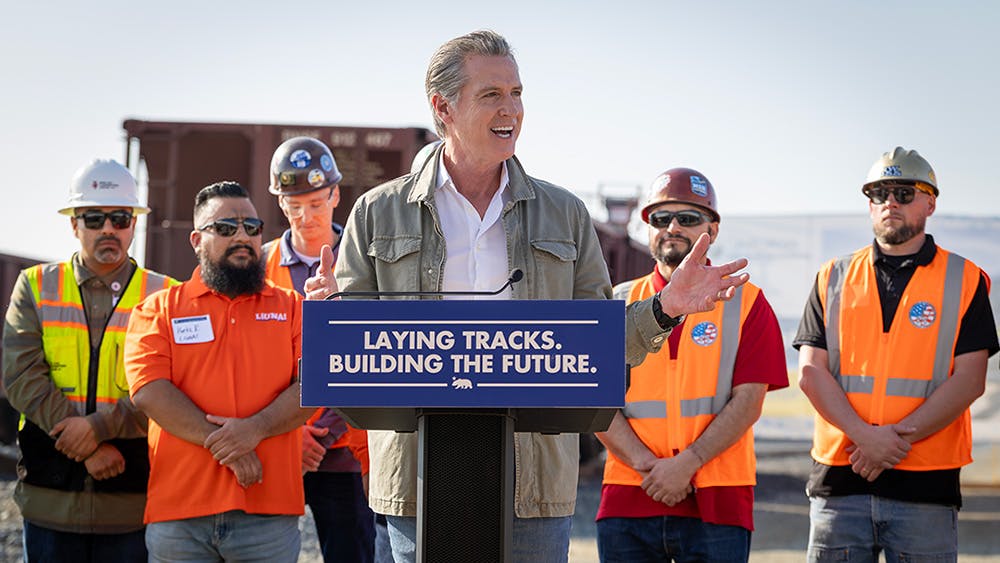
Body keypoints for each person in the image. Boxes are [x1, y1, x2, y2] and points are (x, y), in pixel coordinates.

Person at [304, 30, 751, 563]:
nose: (511, 108)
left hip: (532, 485)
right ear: (443, 107)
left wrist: (665, 309)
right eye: (491, 94)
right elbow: (357, 362)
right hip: (418, 483)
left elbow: (598, 348)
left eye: (517, 93)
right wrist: (333, 321)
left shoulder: (564, 214)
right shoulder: (378, 213)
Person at [794, 147, 999, 562]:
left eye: (903, 192)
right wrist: (867, 438)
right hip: (841, 481)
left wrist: (890, 443)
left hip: (926, 487)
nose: (890, 201)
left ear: (930, 202)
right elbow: (812, 374)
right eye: (879, 193)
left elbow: (970, 379)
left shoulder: (966, 279)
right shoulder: (831, 277)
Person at [595, 168, 788, 562]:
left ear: (712, 230)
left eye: (687, 218)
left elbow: (749, 402)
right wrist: (647, 466)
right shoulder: (617, 302)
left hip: (718, 499)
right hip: (630, 494)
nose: (672, 228)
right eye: (661, 219)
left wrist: (688, 464)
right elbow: (594, 399)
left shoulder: (747, 302)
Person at [123, 181, 317, 562]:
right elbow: (149, 390)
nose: (242, 236)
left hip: (268, 514)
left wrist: (255, 429)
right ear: (197, 239)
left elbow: (315, 386)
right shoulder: (158, 309)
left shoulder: (294, 307)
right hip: (180, 515)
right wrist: (230, 445)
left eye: (252, 227)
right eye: (226, 228)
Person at [2, 159, 176, 562]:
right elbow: (21, 377)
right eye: (95, 217)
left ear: (134, 223)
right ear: (74, 224)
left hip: (133, 504)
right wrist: (89, 448)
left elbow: (170, 385)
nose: (108, 228)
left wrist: (98, 427)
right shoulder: (34, 286)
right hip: (50, 503)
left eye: (120, 217)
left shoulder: (166, 295)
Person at [263, 136, 375, 562]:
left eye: (314, 202)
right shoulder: (259, 267)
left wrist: (322, 432)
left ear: (335, 195)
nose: (305, 216)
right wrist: (289, 431)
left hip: (346, 452)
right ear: (280, 204)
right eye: (293, 205)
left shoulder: (365, 262)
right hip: (276, 445)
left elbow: (370, 354)